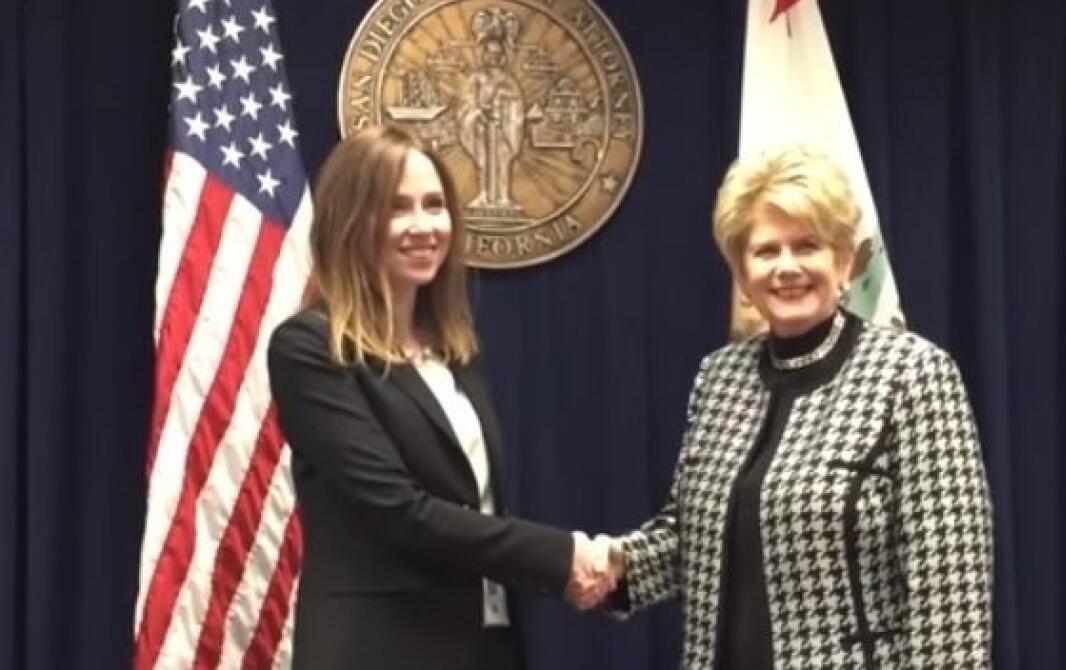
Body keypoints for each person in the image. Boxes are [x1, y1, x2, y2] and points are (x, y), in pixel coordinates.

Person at [598, 146, 994, 669]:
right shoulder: (719, 378)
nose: (786, 267)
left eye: (807, 246)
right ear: (742, 270)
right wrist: (607, 567)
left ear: (845, 261)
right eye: (766, 251)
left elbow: (951, 586)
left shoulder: (911, 374)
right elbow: (692, 540)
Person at [267, 125, 610, 670]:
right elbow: (399, 512)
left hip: (485, 644)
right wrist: (562, 555)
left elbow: (478, 504)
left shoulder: (455, 352)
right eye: (397, 208)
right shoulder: (310, 348)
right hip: (378, 652)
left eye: (435, 205)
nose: (424, 226)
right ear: (351, 221)